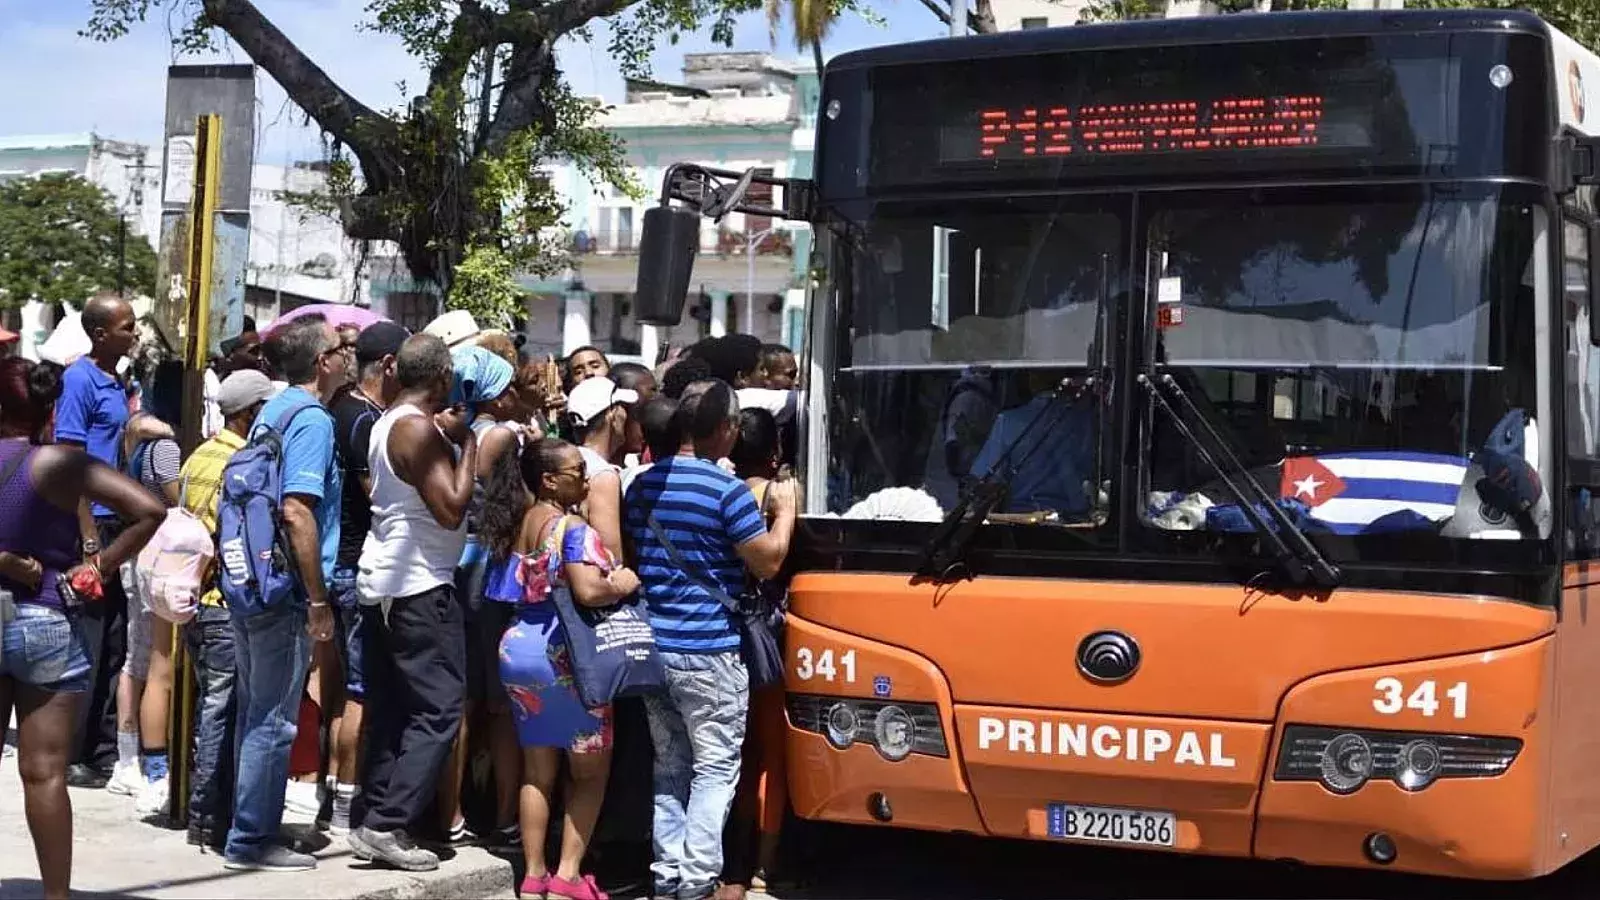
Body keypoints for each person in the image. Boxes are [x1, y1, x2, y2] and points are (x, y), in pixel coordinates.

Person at [623, 379, 797, 900]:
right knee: (716, 770)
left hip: (656, 648)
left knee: (671, 768)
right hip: (711, 652)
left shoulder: (642, 486)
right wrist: (785, 514)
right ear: (725, 430)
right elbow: (765, 561)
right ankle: (697, 882)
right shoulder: (728, 493)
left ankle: (667, 875)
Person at [0, 356, 164, 900]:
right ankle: (56, 896)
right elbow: (149, 510)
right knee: (45, 772)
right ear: (47, 408)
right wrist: (97, 566)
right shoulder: (59, 464)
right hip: (45, 618)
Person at [482, 437, 641, 900]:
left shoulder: (519, 522)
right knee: (589, 772)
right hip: (566, 654)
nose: (587, 478)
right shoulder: (571, 528)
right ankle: (568, 875)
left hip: (520, 650)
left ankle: (533, 875)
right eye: (577, 471)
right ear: (550, 480)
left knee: (538, 770)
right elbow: (589, 591)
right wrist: (623, 583)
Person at [223, 313, 346, 872]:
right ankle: (250, 841)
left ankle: (251, 824)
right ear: (322, 362)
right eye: (340, 350)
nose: (347, 356)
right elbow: (297, 509)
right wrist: (318, 600)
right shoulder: (313, 420)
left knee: (257, 712)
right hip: (286, 589)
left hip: (251, 580)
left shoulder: (272, 410)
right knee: (273, 720)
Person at [351, 334, 476, 871]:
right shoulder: (416, 429)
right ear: (443, 377)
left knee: (396, 708)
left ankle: (373, 818)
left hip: (384, 582)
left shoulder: (386, 421)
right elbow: (450, 509)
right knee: (441, 708)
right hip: (419, 585)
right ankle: (386, 823)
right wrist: (468, 445)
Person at [177, 368, 275, 851]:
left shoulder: (197, 456)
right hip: (221, 604)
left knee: (210, 707)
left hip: (193, 601)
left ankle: (204, 815)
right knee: (222, 709)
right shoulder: (242, 465)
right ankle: (209, 819)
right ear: (250, 413)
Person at [54, 292, 147, 789]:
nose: (134, 333)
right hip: (89, 524)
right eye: (127, 326)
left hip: (117, 521)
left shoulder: (118, 380)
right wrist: (89, 539)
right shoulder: (79, 379)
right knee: (87, 642)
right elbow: (70, 462)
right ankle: (71, 750)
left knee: (114, 640)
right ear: (100, 334)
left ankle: (102, 749)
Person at [324, 321, 410, 835]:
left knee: (344, 689)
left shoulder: (353, 411)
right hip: (356, 565)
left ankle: (334, 793)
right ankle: (344, 805)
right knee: (360, 692)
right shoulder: (359, 420)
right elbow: (378, 495)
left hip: (347, 562)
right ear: (390, 366)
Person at [442, 344, 523, 848]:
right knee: (496, 704)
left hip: (453, 565)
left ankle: (451, 814)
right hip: (486, 573)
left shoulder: (446, 430)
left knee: (461, 701)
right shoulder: (494, 436)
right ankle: (506, 816)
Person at [717, 409, 790, 900]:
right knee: (771, 755)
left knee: (733, 754)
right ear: (776, 451)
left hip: (725, 631)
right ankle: (764, 866)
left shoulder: (720, 490)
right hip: (770, 635)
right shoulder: (780, 495)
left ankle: (730, 860)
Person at [109, 408, 183, 817]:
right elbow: (176, 497)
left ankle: (127, 755)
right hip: (154, 558)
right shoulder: (166, 449)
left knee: (134, 660)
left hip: (136, 557)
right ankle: (133, 762)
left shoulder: (132, 451)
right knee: (149, 661)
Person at [564, 376, 638, 558]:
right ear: (612, 415)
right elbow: (610, 557)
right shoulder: (602, 475)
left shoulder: (564, 461)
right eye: (623, 408)